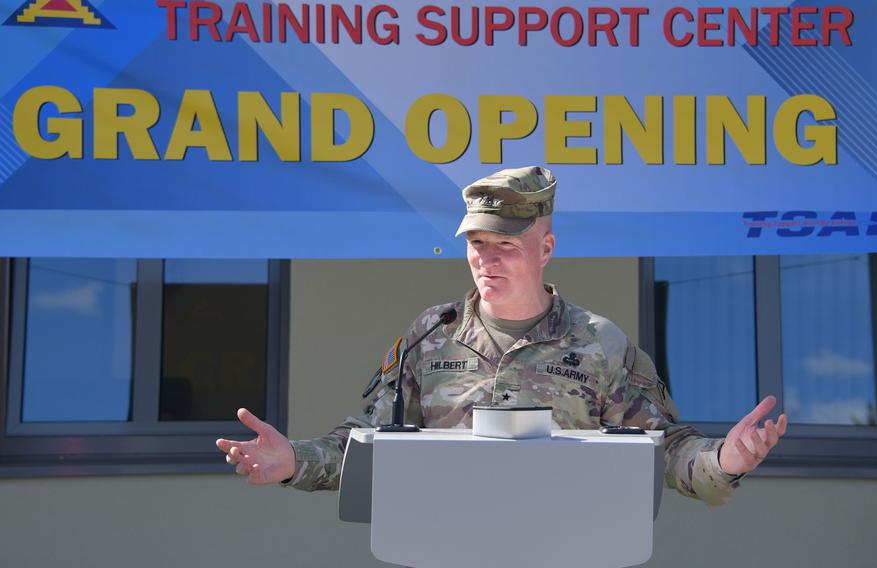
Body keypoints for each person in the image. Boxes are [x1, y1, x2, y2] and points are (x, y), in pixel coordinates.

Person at [217, 166, 787, 506]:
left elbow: (664, 452)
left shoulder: (600, 344)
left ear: (545, 248)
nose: (486, 261)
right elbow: (367, 446)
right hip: (447, 549)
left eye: (506, 246)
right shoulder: (431, 335)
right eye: (476, 245)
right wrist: (294, 460)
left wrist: (723, 460)